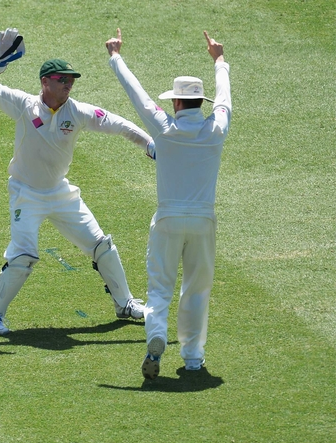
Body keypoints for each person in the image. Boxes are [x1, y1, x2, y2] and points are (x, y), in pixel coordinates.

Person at [0, 28, 155, 335]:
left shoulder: (77, 111)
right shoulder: (23, 105)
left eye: (71, 80)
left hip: (60, 192)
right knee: (23, 256)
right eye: (62, 80)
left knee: (101, 245)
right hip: (26, 193)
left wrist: (150, 143)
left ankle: (124, 304)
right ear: (45, 82)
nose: (68, 85)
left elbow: (116, 123)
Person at [105, 29, 232, 379]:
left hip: (168, 220)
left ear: (176, 103)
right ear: (199, 103)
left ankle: (156, 336)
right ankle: (192, 358)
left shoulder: (164, 128)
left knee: (159, 288)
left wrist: (116, 56)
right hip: (204, 222)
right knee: (197, 288)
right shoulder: (216, 129)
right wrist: (219, 60)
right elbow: (225, 99)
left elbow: (138, 96)